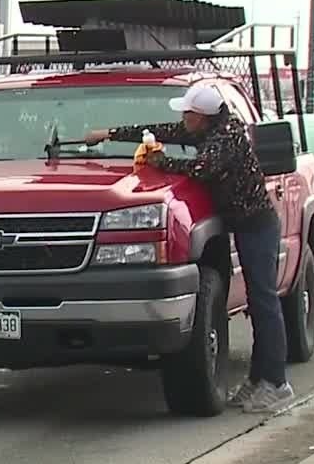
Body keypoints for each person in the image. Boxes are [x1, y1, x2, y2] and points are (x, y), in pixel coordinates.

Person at [85, 83, 293, 413]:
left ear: (202, 116)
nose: (183, 119)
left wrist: (160, 160)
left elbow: (201, 168)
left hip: (257, 226)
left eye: (188, 113)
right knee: (259, 300)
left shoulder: (227, 139)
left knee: (264, 301)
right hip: (245, 225)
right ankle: (259, 379)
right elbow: (165, 131)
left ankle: (276, 382)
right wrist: (110, 134)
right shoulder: (210, 130)